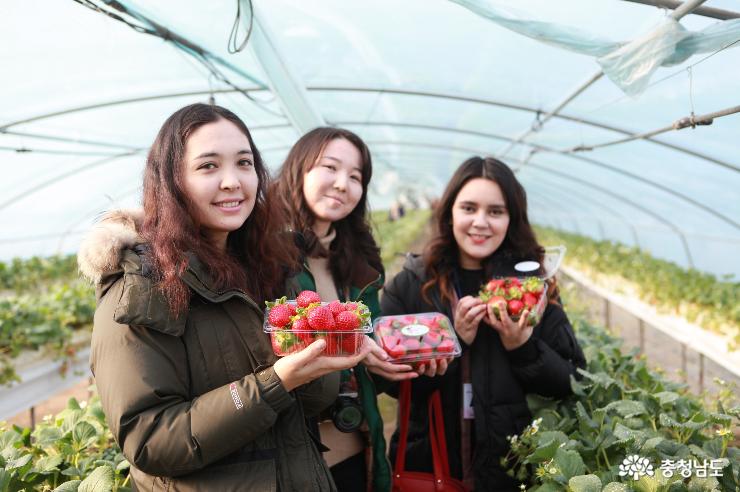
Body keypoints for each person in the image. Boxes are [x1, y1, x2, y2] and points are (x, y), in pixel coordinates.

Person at [78, 104, 377, 491]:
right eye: (208, 166)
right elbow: (149, 439)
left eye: (244, 163)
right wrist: (276, 382)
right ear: (172, 180)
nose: (233, 181)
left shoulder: (269, 266)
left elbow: (305, 406)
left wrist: (324, 361)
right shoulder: (141, 284)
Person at [380, 156, 586, 491]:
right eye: (469, 208)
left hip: (511, 469)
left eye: (495, 211)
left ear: (511, 219)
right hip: (431, 465)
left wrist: (523, 348)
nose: (480, 222)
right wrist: (452, 342)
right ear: (449, 212)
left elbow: (571, 382)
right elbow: (389, 382)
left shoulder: (531, 288)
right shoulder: (412, 284)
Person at [270, 127, 417, 492]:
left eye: (356, 177)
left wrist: (392, 361)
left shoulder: (359, 264)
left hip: (353, 450)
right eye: (330, 168)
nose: (342, 184)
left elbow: (366, 364)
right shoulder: (262, 254)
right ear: (298, 170)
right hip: (287, 463)